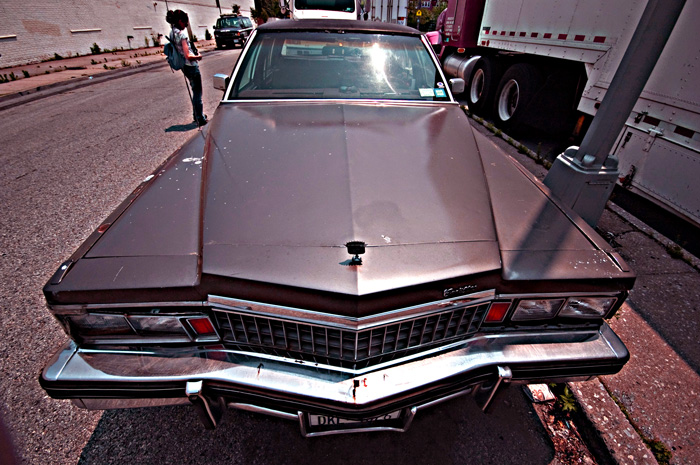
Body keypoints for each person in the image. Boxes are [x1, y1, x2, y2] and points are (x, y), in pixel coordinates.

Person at [166, 9, 207, 126]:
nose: (186, 25)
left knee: (194, 90)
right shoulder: (182, 34)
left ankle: (197, 114)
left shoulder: (172, 33)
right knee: (198, 92)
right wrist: (198, 57)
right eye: (185, 22)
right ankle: (200, 117)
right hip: (191, 66)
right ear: (180, 21)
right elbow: (188, 55)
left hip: (183, 66)